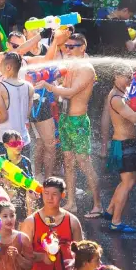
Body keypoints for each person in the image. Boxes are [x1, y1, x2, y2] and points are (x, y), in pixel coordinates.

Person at [32, 30, 100, 216]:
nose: (68, 50)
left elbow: (70, 92)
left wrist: (47, 85)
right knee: (68, 162)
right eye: (66, 46)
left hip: (78, 121)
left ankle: (97, 204)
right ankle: (71, 203)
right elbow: (62, 89)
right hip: (65, 119)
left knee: (84, 163)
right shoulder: (70, 66)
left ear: (83, 47)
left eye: (72, 46)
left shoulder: (86, 68)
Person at [101, 65, 136, 232]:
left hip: (130, 143)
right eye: (126, 76)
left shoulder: (123, 93)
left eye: (131, 76)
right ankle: (115, 222)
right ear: (116, 76)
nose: (130, 80)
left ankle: (110, 210)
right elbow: (135, 117)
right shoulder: (116, 98)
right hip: (123, 144)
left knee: (132, 179)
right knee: (127, 182)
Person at [0, 52, 33, 150]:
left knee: (6, 166)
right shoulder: (29, 87)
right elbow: (27, 115)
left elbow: (3, 117)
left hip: (6, 141)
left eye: (1, 64)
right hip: (24, 140)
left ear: (8, 67)